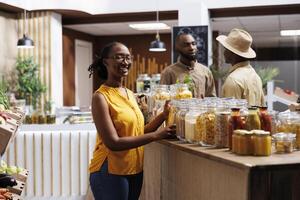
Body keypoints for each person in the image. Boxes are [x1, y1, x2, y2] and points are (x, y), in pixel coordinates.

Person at [87, 42, 176, 200]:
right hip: (110, 170)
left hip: (134, 168)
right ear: (106, 61)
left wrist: (163, 116)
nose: (125, 61)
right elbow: (113, 142)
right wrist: (157, 136)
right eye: (119, 57)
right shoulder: (100, 97)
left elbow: (138, 132)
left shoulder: (129, 93)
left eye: (128, 57)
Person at [216, 28, 265, 106]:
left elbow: (230, 115)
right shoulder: (256, 76)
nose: (224, 53)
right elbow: (262, 108)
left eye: (226, 49)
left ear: (233, 54)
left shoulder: (233, 80)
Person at [160, 32, 216, 98]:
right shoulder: (168, 72)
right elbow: (162, 98)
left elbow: (212, 98)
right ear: (177, 48)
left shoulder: (205, 71)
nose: (191, 48)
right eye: (186, 45)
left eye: (193, 44)